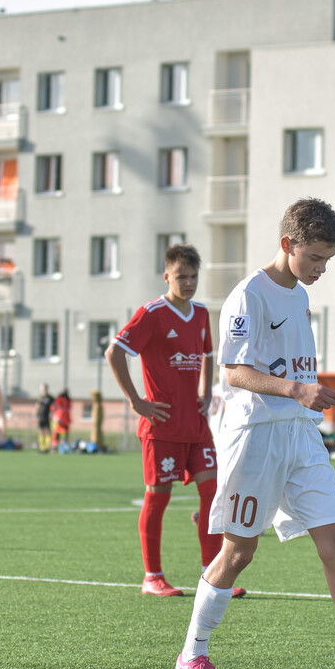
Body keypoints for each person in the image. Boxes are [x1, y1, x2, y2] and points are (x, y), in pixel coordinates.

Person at [175, 198, 335, 669]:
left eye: (328, 260)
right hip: (255, 436)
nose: (322, 269)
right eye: (316, 258)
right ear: (288, 245)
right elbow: (233, 370)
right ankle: (191, 655)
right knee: (238, 553)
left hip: (301, 436)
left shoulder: (299, 294)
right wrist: (297, 389)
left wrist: (304, 398)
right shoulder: (248, 297)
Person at [107, 243, 243, 599]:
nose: (188, 283)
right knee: (158, 498)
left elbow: (208, 354)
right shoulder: (151, 313)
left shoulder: (200, 313)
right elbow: (114, 352)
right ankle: (152, 576)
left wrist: (205, 393)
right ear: (167, 276)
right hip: (162, 426)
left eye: (194, 276)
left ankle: (211, 573)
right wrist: (137, 401)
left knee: (212, 494)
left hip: (196, 425)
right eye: (181, 277)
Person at [50, 388, 72, 453]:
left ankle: (62, 448)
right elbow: (55, 408)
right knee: (57, 435)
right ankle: (56, 448)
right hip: (59, 420)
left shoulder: (67, 400)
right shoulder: (60, 399)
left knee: (63, 435)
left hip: (63, 420)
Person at [36, 384, 55, 453]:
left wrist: (52, 414)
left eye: (44, 388)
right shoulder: (40, 397)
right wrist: (36, 415)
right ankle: (42, 447)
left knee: (47, 431)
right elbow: (37, 406)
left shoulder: (50, 398)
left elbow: (54, 406)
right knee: (41, 431)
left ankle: (47, 447)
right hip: (40, 416)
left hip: (47, 417)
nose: (43, 390)